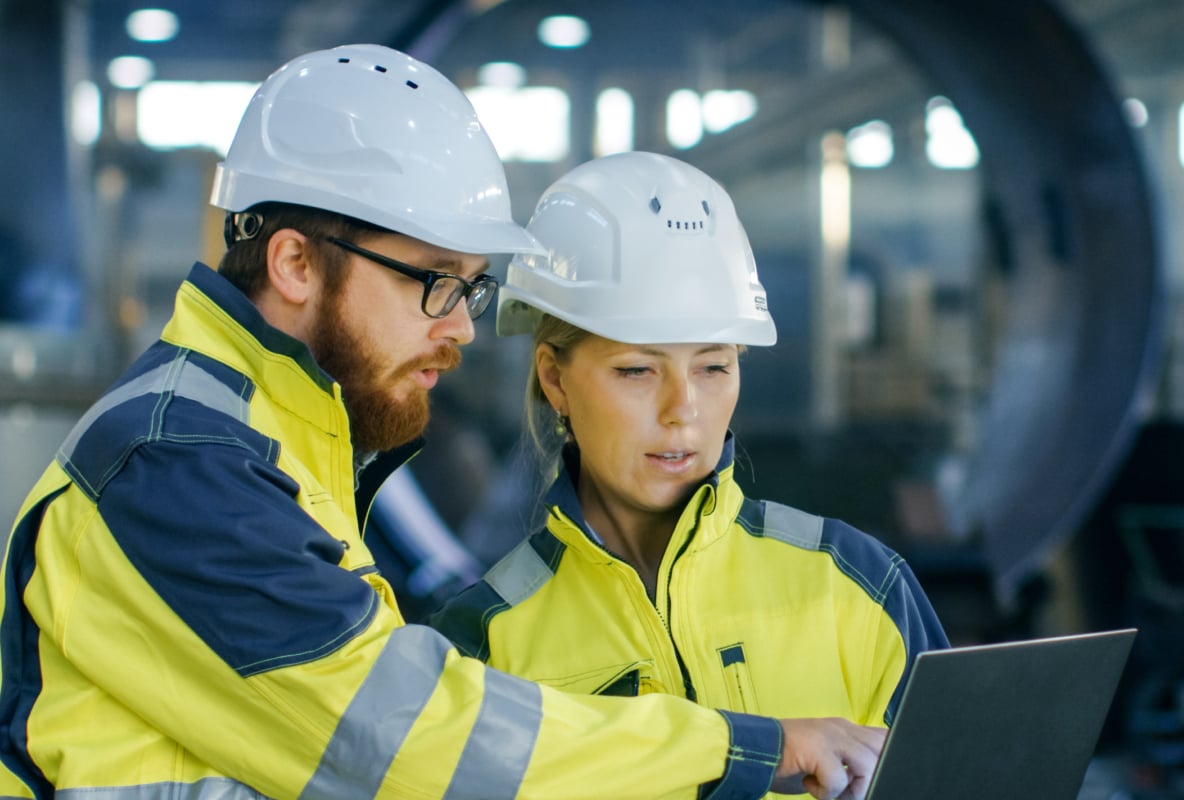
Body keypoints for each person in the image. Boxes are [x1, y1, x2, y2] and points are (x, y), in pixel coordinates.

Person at [0, 45, 887, 800]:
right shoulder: (176, 461)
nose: (461, 324)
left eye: (469, 285)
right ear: (296, 262)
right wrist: (745, 749)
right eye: (433, 279)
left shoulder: (276, 449)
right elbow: (398, 741)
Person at [430, 151, 950, 797]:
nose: (684, 411)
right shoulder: (486, 643)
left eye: (713, 367)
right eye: (637, 371)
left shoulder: (861, 586)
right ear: (555, 379)